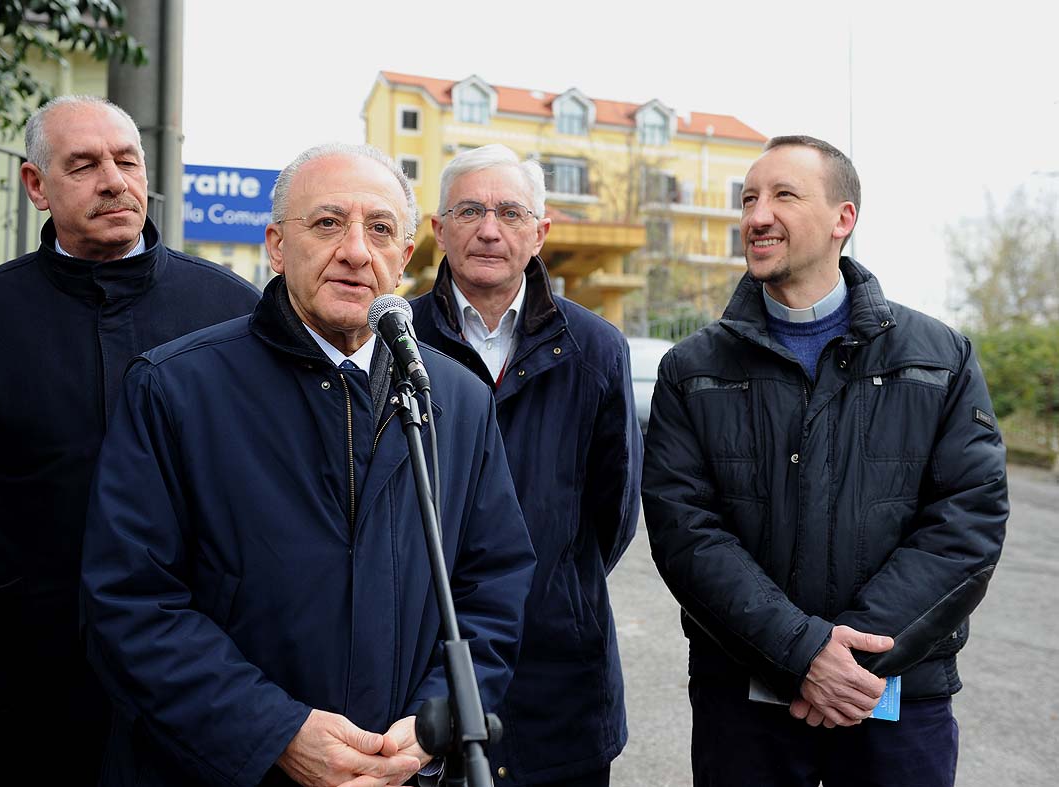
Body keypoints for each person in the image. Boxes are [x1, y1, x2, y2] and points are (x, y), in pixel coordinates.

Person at [79, 142, 536, 787]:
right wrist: (276, 731)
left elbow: (494, 582)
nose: (356, 250)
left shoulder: (454, 398)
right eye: (327, 223)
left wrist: (437, 716)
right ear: (275, 245)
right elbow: (131, 602)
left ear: (404, 258)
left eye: (380, 229)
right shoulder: (175, 389)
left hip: (397, 767)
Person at [0, 95, 260, 786]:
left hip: (194, 665)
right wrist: (15, 590)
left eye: (127, 161)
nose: (114, 180)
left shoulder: (230, 309)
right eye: (84, 164)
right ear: (36, 185)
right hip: (20, 668)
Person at [642, 135, 1009, 786]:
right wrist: (801, 649)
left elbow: (966, 526)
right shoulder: (690, 369)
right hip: (743, 702)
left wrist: (851, 661)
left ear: (843, 218)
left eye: (783, 194)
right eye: (749, 197)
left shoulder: (939, 356)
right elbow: (685, 535)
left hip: (897, 696)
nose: (756, 214)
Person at [410, 144, 643, 787]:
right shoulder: (395, 342)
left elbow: (614, 513)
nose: (489, 229)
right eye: (469, 210)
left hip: (560, 681)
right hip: (419, 669)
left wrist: (557, 589)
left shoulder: (594, 348)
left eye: (510, 212)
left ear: (539, 233)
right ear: (439, 229)